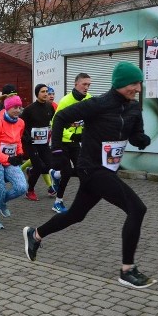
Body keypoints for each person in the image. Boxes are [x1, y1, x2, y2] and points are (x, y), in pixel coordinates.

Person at [23, 61, 154, 289]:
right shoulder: (98, 104)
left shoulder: (134, 108)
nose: (138, 89)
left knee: (76, 214)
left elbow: (135, 134)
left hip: (108, 169)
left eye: (139, 84)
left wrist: (141, 139)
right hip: (90, 168)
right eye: (134, 84)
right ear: (121, 83)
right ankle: (127, 270)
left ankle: (35, 235)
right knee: (137, 208)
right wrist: (56, 150)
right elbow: (61, 117)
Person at [49, 73, 92, 213]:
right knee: (67, 172)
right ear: (76, 84)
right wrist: (71, 135)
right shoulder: (66, 101)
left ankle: (56, 175)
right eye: (84, 84)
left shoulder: (89, 99)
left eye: (88, 85)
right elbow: (55, 123)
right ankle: (58, 202)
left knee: (82, 170)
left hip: (75, 141)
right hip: (62, 141)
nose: (86, 87)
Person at [0, 95, 27, 229]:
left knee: (21, 188)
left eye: (19, 107)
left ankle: (1, 202)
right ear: (7, 108)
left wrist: (20, 153)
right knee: (1, 191)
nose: (18, 110)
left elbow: (18, 140)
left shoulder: (20, 122)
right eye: (15, 107)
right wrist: (7, 158)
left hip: (11, 159)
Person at [20, 84, 55, 201]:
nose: (45, 94)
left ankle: (31, 171)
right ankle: (30, 191)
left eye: (47, 91)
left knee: (50, 166)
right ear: (37, 94)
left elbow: (52, 122)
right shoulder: (29, 109)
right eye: (42, 92)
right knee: (39, 166)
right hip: (31, 143)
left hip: (44, 143)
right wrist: (26, 137)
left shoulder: (50, 107)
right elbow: (21, 126)